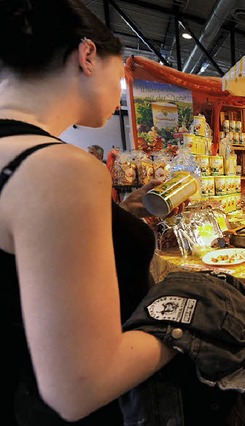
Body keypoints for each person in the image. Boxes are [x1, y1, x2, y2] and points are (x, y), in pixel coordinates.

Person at [0, 1, 178, 423]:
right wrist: (187, 324)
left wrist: (120, 214)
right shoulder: (59, 167)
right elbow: (79, 386)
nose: (119, 89)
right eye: (120, 76)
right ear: (88, 56)